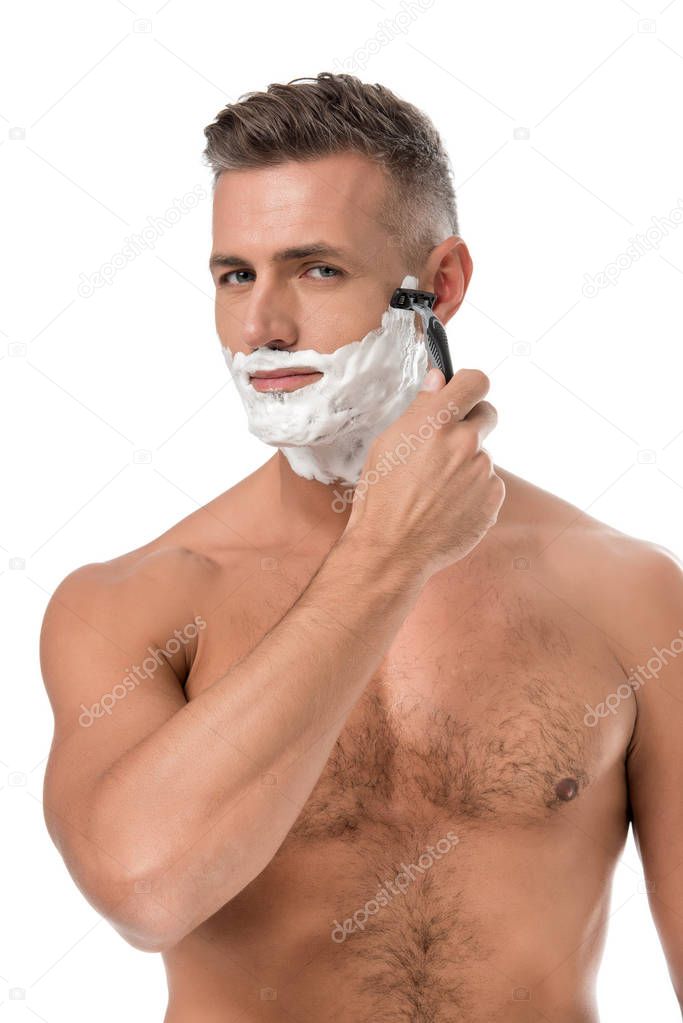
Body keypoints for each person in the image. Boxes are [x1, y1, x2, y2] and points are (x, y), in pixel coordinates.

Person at [40, 72, 683, 1022]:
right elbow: (142, 890)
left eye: (317, 269)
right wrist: (385, 556)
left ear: (442, 285)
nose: (262, 326)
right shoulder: (130, 603)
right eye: (235, 275)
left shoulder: (627, 593)